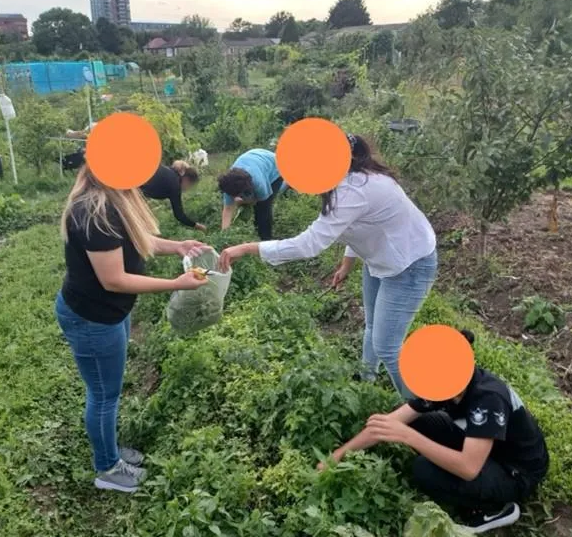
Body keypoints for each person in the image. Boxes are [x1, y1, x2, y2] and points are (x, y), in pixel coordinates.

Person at [219, 134, 437, 395]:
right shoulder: (347, 181)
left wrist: (246, 248)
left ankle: (419, 411)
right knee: (371, 325)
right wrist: (346, 264)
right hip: (382, 260)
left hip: (409, 266)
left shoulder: (352, 190)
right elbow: (359, 225)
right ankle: (367, 377)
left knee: (388, 347)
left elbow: (308, 244)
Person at [55, 165, 209, 493]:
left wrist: (178, 246)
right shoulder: (94, 212)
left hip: (108, 313)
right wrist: (174, 283)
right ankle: (107, 469)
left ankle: (108, 448)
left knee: (107, 391)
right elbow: (114, 280)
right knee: (103, 394)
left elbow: (138, 239)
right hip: (92, 318)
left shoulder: (116, 197)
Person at [317, 330, 550, 535]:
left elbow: (468, 468)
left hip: (515, 471)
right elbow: (388, 424)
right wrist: (336, 457)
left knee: (424, 469)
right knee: (418, 423)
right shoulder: (446, 381)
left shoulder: (487, 399)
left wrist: (408, 437)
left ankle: (496, 509)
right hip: (484, 446)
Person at [218, 148, 288, 240]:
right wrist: (224, 235)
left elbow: (262, 200)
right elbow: (228, 210)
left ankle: (266, 239)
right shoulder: (229, 184)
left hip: (276, 165)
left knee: (263, 209)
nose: (234, 198)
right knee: (251, 203)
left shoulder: (258, 183)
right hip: (255, 158)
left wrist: (248, 201)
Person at [140, 161, 206, 232]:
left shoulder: (171, 173)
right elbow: (179, 215)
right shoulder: (175, 185)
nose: (188, 189)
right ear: (187, 180)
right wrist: (197, 226)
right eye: (190, 186)